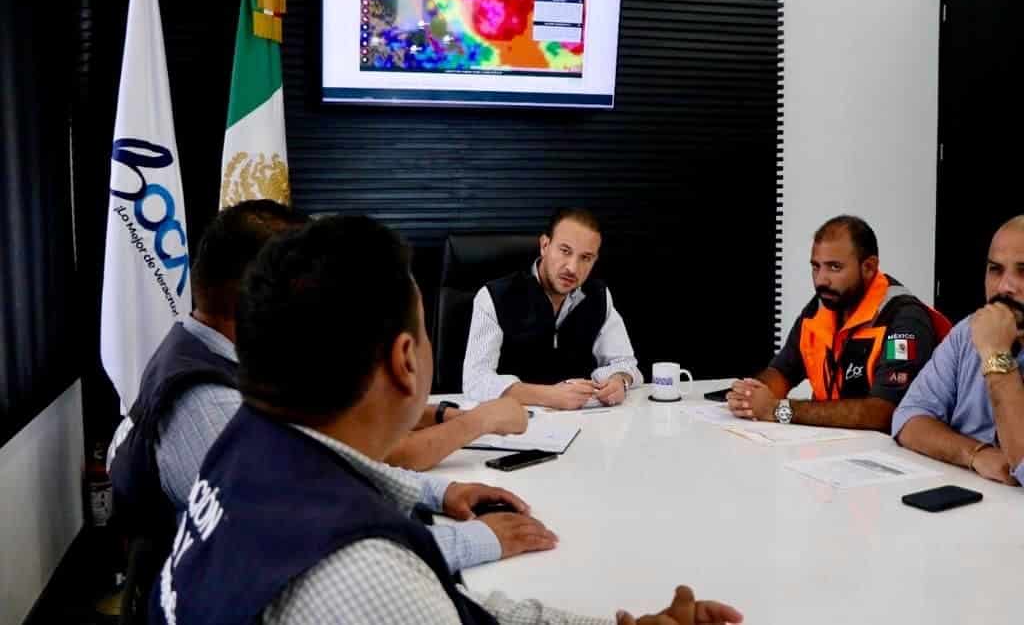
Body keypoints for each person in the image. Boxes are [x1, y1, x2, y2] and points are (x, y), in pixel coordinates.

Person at [153, 215, 742, 625]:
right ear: (407, 361)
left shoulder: (244, 446)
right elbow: (402, 596)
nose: (574, 265)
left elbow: (453, 606)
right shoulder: (364, 575)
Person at [109, 200, 539, 574]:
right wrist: (479, 541)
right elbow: (309, 548)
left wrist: (439, 493)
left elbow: (324, 460)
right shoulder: (209, 407)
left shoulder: (215, 350)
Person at [728, 215, 949, 430]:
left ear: (869, 267)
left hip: (885, 455)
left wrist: (779, 410)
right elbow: (783, 372)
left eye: (835, 267)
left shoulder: (905, 320)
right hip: (827, 448)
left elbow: (884, 413)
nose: (821, 280)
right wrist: (750, 394)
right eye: (816, 267)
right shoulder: (823, 305)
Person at [462, 208, 643, 409]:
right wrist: (549, 395)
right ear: (545, 245)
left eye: (586, 258)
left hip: (585, 421)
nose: (572, 268)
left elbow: (626, 363)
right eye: (565, 251)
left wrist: (620, 380)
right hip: (515, 422)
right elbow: (475, 381)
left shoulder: (598, 295)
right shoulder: (493, 296)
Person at [892, 216, 1024, 486]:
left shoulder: (985, 336)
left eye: (1023, 271)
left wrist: (996, 354)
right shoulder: (968, 331)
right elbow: (909, 418)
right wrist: (975, 453)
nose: (1004, 287)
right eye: (995, 270)